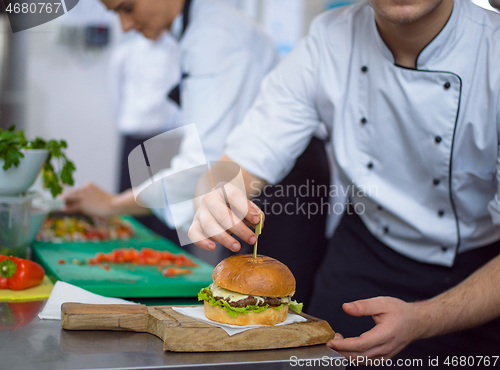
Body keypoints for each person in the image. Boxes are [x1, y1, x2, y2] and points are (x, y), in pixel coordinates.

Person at [188, 0, 500, 362]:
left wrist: (424, 318)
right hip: (365, 251)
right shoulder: (327, 39)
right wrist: (214, 195)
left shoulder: (492, 48)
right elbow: (246, 155)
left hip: (481, 273)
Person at [63, 0, 331, 305]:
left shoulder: (215, 37)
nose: (125, 26)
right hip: (255, 182)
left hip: (285, 188)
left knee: (277, 307)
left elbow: (200, 166)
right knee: (249, 299)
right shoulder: (198, 29)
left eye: (127, 8)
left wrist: (113, 204)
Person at [109, 31, 184, 243]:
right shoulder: (125, 51)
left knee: (167, 214)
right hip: (134, 138)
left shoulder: (179, 50)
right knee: (130, 215)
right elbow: (115, 95)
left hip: (169, 141)